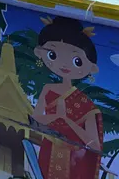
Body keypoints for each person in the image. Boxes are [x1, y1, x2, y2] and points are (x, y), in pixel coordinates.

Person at [31, 17, 104, 178]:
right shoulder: (48, 89)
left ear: (91, 68)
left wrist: (68, 121)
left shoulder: (87, 105)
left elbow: (95, 146)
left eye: (76, 61)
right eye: (52, 54)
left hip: (75, 163)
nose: (63, 64)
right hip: (48, 152)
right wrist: (56, 116)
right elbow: (35, 120)